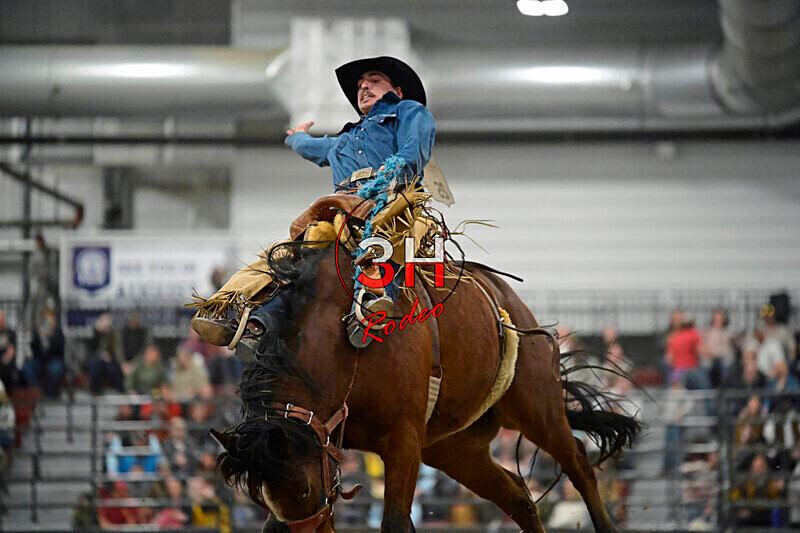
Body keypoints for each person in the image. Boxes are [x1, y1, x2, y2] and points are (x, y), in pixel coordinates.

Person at [193, 56, 436, 348]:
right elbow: (314, 147)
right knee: (292, 253)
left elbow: (414, 148)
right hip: (344, 210)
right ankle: (250, 317)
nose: (363, 87)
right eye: (360, 84)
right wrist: (297, 137)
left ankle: (372, 301)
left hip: (394, 199)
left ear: (396, 90)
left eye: (373, 80)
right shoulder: (345, 139)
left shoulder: (408, 111)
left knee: (394, 233)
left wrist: (391, 174)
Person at [29, 308, 65, 398]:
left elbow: (59, 349)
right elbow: (33, 348)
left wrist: (50, 337)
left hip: (54, 360)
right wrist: (40, 338)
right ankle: (36, 390)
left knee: (55, 370)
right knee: (28, 368)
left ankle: (51, 393)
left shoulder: (58, 332)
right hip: (40, 360)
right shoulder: (38, 332)